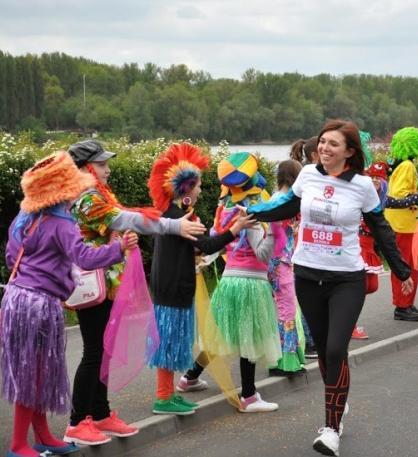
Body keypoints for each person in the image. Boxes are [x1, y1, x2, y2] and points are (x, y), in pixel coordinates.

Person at [248, 119, 413, 456]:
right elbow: (287, 206)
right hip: (308, 275)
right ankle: (338, 401)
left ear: (350, 151)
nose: (324, 148)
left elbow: (381, 229)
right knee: (324, 351)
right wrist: (251, 212)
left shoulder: (364, 186)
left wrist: (401, 270)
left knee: (337, 349)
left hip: (346, 279)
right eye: (322, 142)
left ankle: (331, 428)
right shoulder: (308, 175)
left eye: (332, 144)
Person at [64, 140, 206, 445]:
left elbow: (125, 214)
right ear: (86, 168)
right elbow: (124, 219)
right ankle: (77, 421)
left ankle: (100, 414)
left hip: (105, 285)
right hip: (92, 285)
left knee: (103, 350)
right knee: (93, 352)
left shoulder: (97, 194)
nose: (108, 170)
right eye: (102, 165)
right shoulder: (85, 199)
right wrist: (171, 226)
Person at [1, 151, 138, 457]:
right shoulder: (62, 223)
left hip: (16, 300)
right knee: (34, 374)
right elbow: (85, 258)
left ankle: (44, 436)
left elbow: (12, 257)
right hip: (39, 305)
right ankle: (19, 444)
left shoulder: (24, 218)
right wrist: (119, 248)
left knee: (37, 371)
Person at [147, 143, 256, 415]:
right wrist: (236, 228)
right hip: (173, 289)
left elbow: (195, 246)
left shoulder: (170, 215)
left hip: (168, 287)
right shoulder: (181, 219)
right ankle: (163, 398)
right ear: (185, 191)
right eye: (196, 186)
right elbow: (207, 245)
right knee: (170, 343)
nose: (199, 190)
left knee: (170, 343)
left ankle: (168, 394)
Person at [207, 152, 282, 412]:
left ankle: (188, 377)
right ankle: (249, 396)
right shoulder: (249, 211)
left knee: (222, 333)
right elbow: (262, 253)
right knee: (248, 339)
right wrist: (274, 229)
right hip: (250, 281)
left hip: (230, 279)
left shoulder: (224, 207)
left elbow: (215, 239)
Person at [267, 159, 306, 376]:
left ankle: (285, 355)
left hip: (280, 260)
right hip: (281, 261)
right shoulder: (284, 201)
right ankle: (285, 359)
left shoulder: (277, 198)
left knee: (285, 309)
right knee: (287, 309)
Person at [383, 127, 418, 321]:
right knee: (405, 266)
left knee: (410, 265)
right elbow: (398, 195)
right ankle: (402, 306)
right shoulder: (407, 165)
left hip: (406, 224)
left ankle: (407, 302)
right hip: (401, 225)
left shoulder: (402, 164)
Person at [352, 161, 390, 340]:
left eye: (378, 178)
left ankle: (345, 318)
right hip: (357, 246)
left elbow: (398, 202)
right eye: (372, 177)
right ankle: (349, 324)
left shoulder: (381, 201)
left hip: (369, 247)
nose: (374, 181)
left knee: (371, 286)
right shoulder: (361, 196)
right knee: (358, 287)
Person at [289, 136, 319, 357]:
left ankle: (313, 339)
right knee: (307, 295)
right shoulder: (309, 177)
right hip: (304, 245)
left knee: (313, 295)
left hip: (312, 243)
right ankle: (309, 341)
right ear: (315, 155)